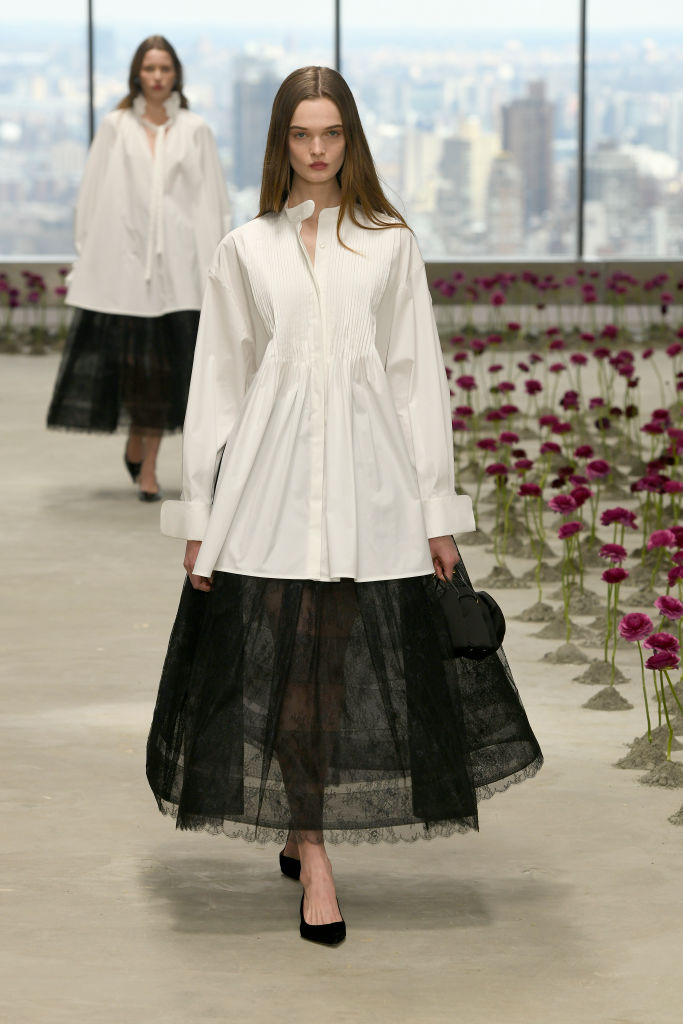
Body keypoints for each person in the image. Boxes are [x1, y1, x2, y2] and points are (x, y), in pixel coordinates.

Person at [146, 66, 542, 946]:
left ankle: (302, 821)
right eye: (301, 135)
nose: (317, 151)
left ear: (350, 139)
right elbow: (217, 387)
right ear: (281, 142)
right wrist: (201, 518)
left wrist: (435, 512)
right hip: (270, 489)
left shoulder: (391, 243)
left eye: (331, 135)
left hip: (370, 491)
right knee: (288, 669)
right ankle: (316, 854)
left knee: (337, 672)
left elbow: (415, 386)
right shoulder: (245, 247)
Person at [47, 35, 231, 501]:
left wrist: (216, 264)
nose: (156, 76)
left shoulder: (195, 130)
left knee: (166, 373)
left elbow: (213, 203)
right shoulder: (114, 127)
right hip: (123, 271)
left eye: (165, 68)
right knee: (130, 367)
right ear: (136, 73)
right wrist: (87, 253)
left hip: (180, 274)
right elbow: (92, 193)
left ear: (176, 75)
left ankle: (148, 467)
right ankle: (136, 441)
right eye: (149, 68)